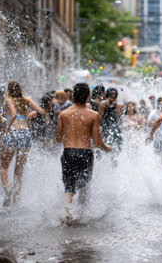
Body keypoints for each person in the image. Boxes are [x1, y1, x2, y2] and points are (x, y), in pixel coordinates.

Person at [56, 83, 112, 225]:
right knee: (84, 186)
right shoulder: (93, 115)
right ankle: (81, 217)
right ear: (88, 97)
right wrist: (108, 149)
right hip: (85, 153)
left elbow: (58, 138)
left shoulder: (63, 114)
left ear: (73, 96)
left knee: (69, 187)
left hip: (68, 152)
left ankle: (67, 209)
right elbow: (98, 142)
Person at [0, 80, 46, 206]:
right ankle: (16, 200)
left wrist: (8, 127)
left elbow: (13, 115)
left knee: (4, 167)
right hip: (25, 134)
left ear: (8, 90)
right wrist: (28, 116)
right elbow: (41, 111)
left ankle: (7, 191)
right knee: (19, 170)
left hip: (13, 132)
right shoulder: (26, 99)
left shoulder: (8, 99)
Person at [98, 88, 123, 165]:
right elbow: (100, 118)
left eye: (114, 94)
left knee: (116, 153)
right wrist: (107, 104)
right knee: (102, 152)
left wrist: (116, 106)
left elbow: (120, 120)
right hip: (105, 130)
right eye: (110, 94)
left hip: (116, 131)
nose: (112, 96)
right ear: (106, 95)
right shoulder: (102, 104)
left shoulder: (119, 105)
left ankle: (114, 168)